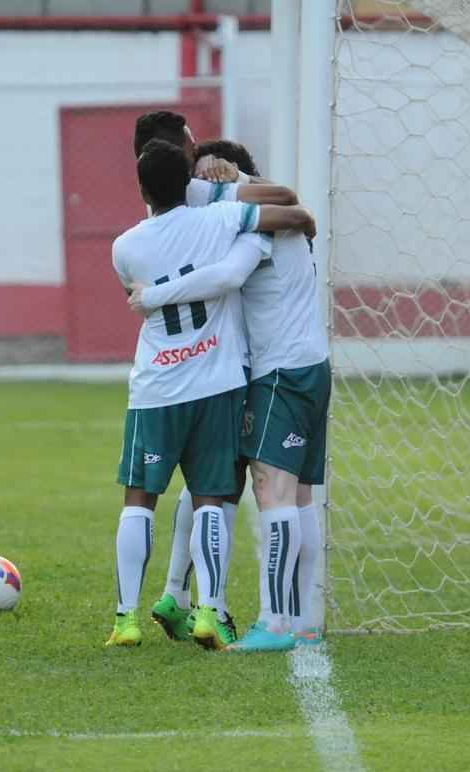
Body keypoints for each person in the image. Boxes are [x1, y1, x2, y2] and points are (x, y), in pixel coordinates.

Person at [105, 139, 315, 650]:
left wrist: (153, 295)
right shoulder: (223, 221)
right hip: (218, 379)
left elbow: (138, 291)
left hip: (157, 383)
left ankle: (127, 617)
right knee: (212, 498)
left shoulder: (125, 245)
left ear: (141, 189)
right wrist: (280, 210)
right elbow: (286, 216)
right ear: (191, 183)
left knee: (140, 498)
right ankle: (210, 610)